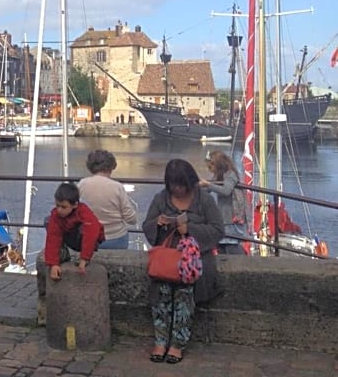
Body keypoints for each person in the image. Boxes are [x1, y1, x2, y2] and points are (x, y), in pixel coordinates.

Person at [143, 158, 224, 364]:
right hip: (167, 259)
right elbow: (147, 226)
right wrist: (159, 224)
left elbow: (217, 230)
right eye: (173, 186)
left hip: (191, 261)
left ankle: (177, 344)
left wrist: (191, 230)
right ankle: (160, 341)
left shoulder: (204, 200)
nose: (177, 190)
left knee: (184, 300)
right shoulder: (161, 199)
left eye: (181, 185)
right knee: (160, 300)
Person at [44, 181, 105, 281]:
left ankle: (84, 254)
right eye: (57, 205)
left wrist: (84, 258)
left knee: (85, 227)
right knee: (48, 221)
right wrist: (53, 263)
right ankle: (62, 254)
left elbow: (91, 233)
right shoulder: (56, 216)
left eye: (63, 207)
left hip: (87, 240)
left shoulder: (84, 212)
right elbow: (53, 238)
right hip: (71, 237)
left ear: (75, 205)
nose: (59, 210)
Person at [78, 149, 137, 249]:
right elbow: (131, 219)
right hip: (116, 237)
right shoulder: (117, 187)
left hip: (90, 236)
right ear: (111, 167)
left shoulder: (81, 184)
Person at [199, 151, 248, 255]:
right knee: (221, 244)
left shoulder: (231, 175)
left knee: (231, 244)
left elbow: (226, 190)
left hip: (231, 217)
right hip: (222, 216)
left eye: (210, 168)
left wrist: (208, 184)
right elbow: (207, 190)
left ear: (217, 165)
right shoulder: (219, 175)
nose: (209, 171)